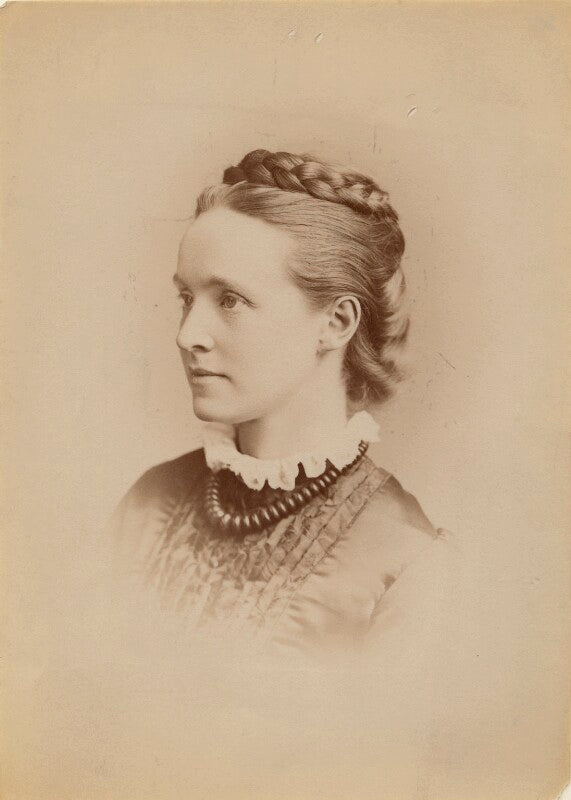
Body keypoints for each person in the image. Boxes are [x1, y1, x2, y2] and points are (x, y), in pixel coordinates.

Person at [106, 148, 458, 665]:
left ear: (336, 322)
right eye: (187, 299)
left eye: (230, 300)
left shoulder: (405, 562)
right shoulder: (148, 505)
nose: (188, 334)